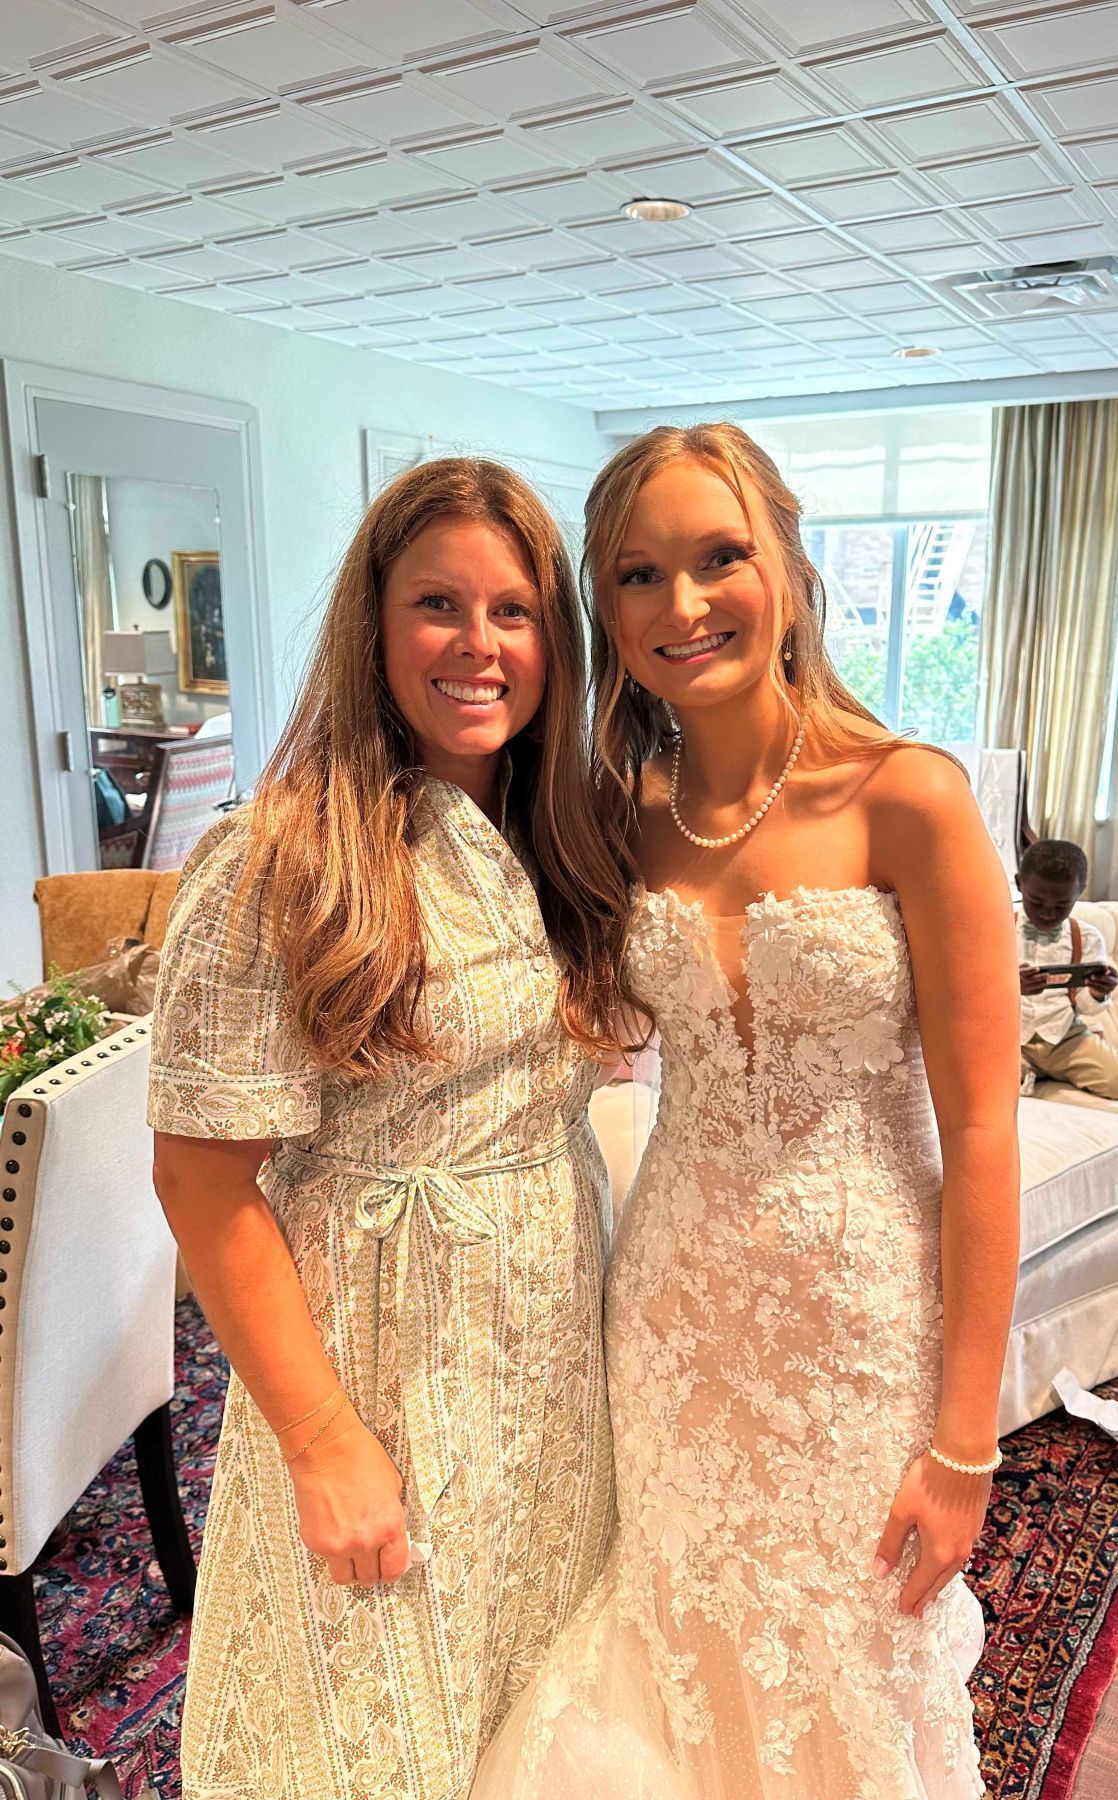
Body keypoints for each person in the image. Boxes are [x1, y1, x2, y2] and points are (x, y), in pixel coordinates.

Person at [473, 423, 1021, 1798]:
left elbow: (984, 1135)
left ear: (787, 566)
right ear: (605, 608)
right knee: (676, 1618)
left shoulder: (908, 798)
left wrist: (965, 1438)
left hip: (855, 1327)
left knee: (848, 1646)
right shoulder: (615, 821)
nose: (683, 605)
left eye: (719, 557)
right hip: (670, 1308)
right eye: (638, 576)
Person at [149, 460, 633, 1800]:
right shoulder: (279, 859)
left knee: (517, 1713)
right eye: (438, 605)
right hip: (380, 1366)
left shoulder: (563, 836)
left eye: (514, 612)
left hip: (544, 1367)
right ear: (374, 628)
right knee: (355, 1731)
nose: (478, 646)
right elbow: (199, 1184)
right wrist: (321, 1440)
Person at [1015, 839, 1118, 1100]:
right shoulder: (996, 927)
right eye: (1036, 902)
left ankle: (1048, 1070)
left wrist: (1098, 992)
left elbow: (1086, 1007)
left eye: (1062, 905)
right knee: (990, 1088)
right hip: (1010, 1035)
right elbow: (968, 994)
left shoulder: (1085, 937)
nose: (1049, 913)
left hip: (1064, 1035)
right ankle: (1027, 1071)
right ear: (1019, 884)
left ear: (1080, 891)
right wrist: (1011, 988)